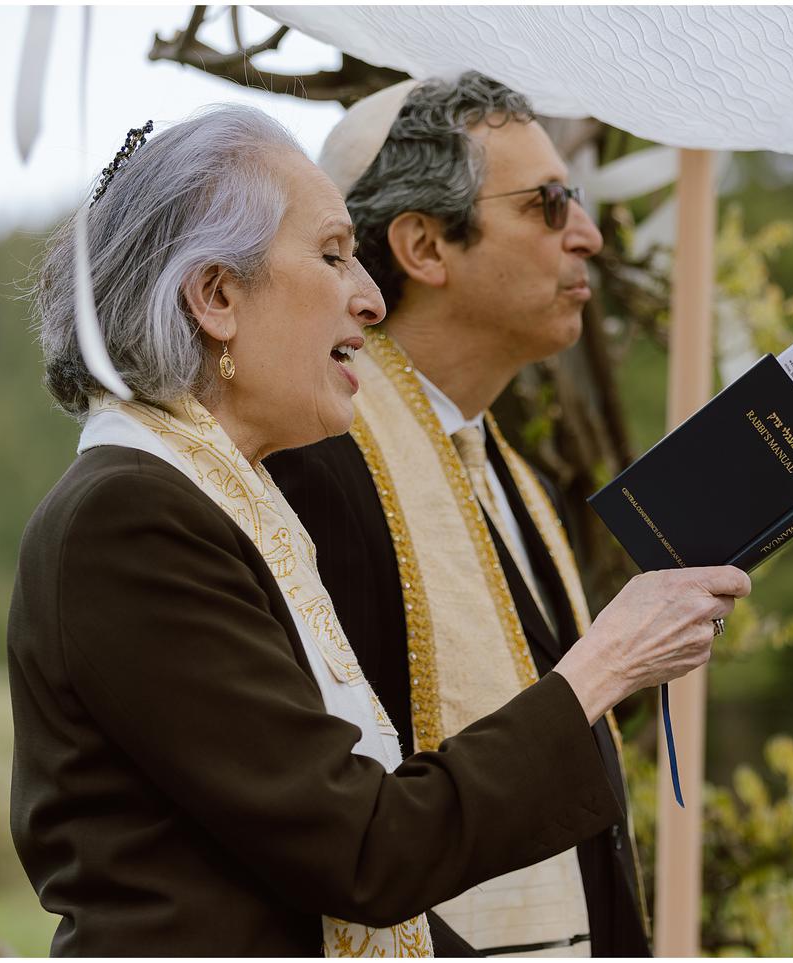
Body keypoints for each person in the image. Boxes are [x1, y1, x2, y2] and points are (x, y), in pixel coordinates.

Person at [9, 103, 751, 957]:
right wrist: (602, 667)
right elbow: (362, 847)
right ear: (216, 297)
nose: (366, 298)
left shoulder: (216, 497)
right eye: (331, 255)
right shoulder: (131, 519)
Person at [262, 74, 644, 956]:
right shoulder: (314, 467)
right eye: (549, 205)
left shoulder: (509, 473)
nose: (586, 234)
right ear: (425, 246)